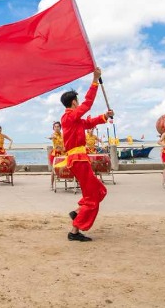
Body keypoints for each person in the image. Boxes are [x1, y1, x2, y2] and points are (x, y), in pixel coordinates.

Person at [56, 67, 114, 242]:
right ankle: (74, 231)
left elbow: (88, 122)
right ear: (74, 102)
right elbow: (87, 104)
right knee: (91, 197)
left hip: (81, 159)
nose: (79, 103)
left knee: (100, 191)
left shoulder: (74, 119)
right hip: (78, 160)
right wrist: (95, 80)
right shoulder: (68, 117)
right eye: (77, 101)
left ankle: (77, 213)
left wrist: (105, 116)